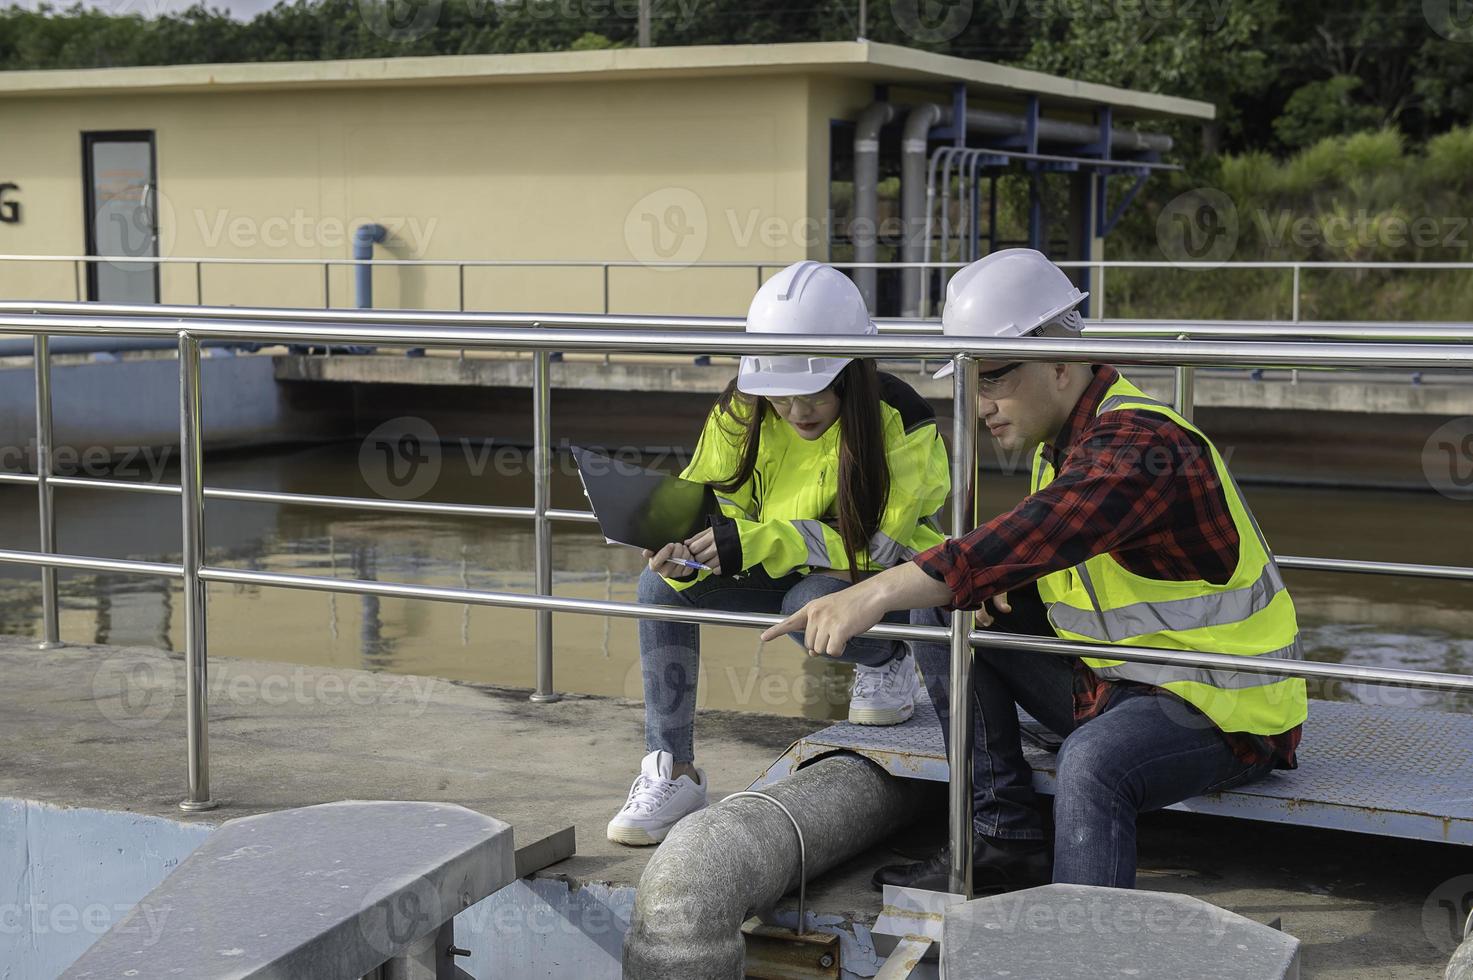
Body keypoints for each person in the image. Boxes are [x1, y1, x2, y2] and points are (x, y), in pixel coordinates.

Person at [763, 248, 1308, 890]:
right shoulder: (1061, 443)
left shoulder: (1141, 447)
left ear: (1061, 359)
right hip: (1116, 680)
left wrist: (874, 593)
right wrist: (1006, 584)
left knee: (1092, 763)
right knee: (948, 604)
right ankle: (1003, 844)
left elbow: (1036, 530)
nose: (979, 405)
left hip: (1222, 707)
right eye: (970, 383)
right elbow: (1049, 552)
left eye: (992, 378)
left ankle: (1075, 949)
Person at [606, 260, 951, 846]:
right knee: (659, 589)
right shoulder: (743, 408)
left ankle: (888, 656)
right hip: (772, 562)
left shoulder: (902, 421)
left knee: (811, 600)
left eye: (813, 393)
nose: (796, 412)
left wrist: (760, 540)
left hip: (873, 586)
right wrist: (674, 541)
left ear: (851, 373)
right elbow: (703, 495)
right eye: (782, 396)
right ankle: (672, 769)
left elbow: (874, 550)